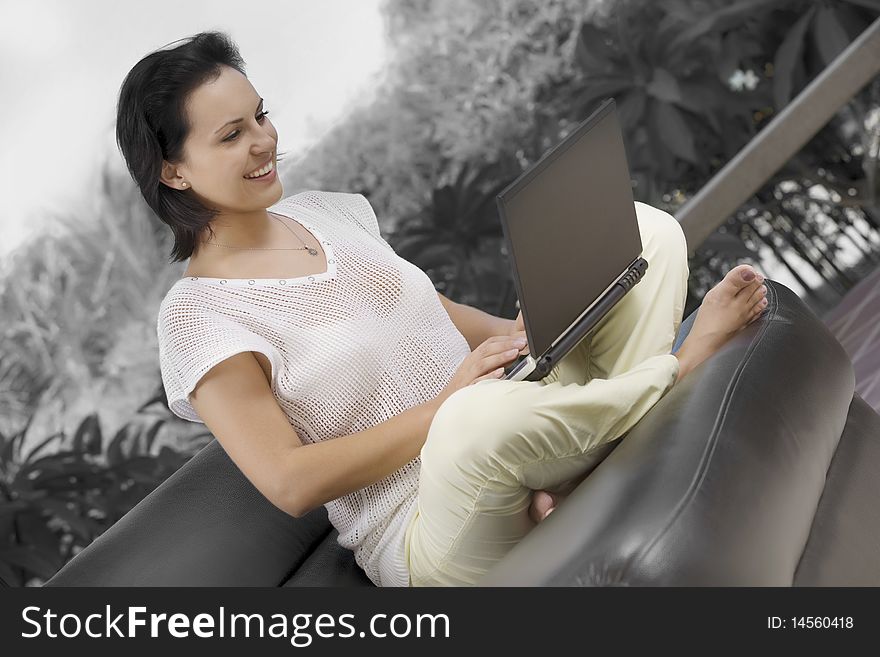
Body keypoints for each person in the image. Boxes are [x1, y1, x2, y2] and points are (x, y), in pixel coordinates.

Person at [116, 31, 769, 587]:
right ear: (173, 171)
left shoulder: (327, 212)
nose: (264, 141)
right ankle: (675, 372)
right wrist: (446, 405)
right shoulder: (197, 317)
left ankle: (572, 463)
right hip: (427, 522)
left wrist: (526, 333)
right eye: (233, 134)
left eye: (261, 115)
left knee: (642, 232)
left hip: (510, 412)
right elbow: (289, 480)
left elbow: (432, 306)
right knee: (470, 424)